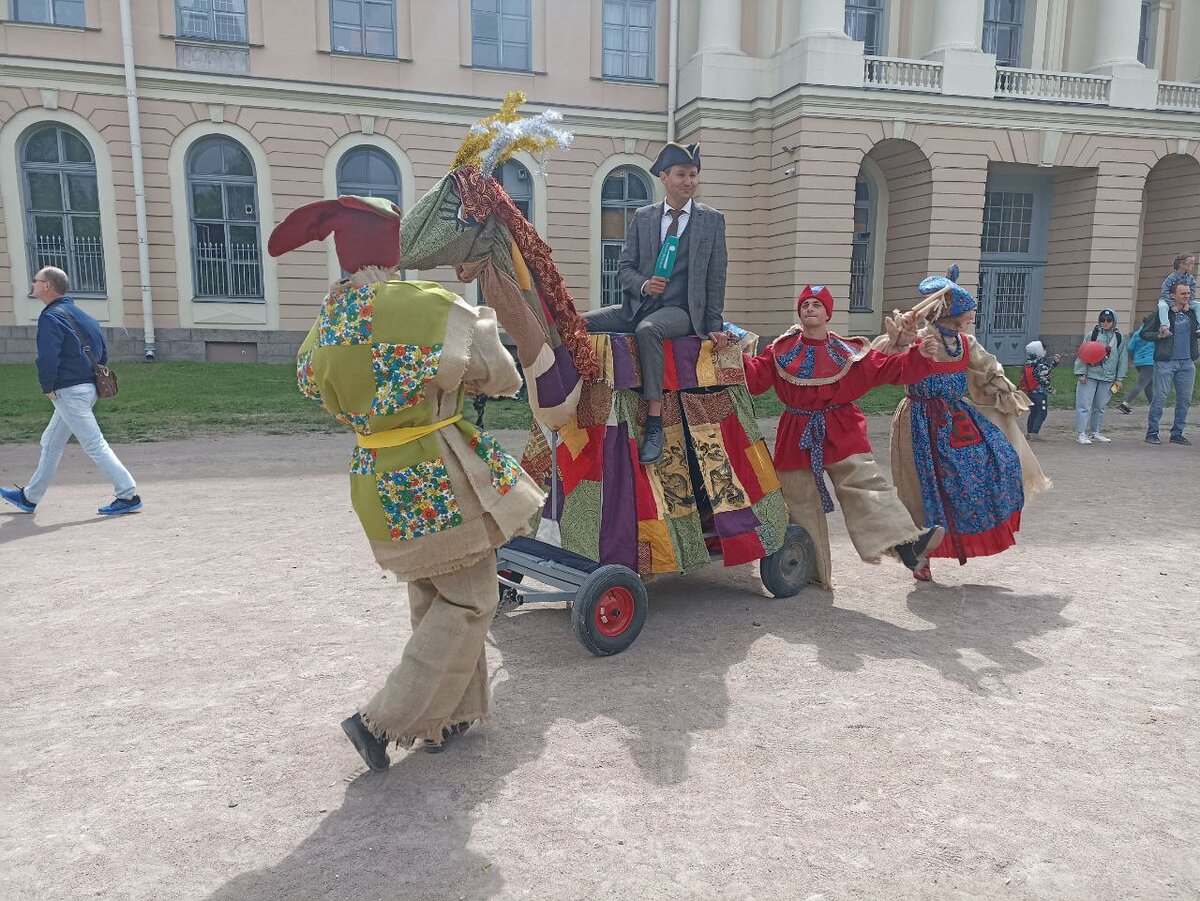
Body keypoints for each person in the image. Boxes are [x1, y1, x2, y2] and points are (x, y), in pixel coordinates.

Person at [267, 196, 545, 769]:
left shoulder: (331, 318)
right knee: (472, 600)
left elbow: (308, 382)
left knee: (431, 592)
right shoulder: (434, 306)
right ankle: (381, 721)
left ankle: (448, 718)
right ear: (398, 249)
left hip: (375, 474)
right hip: (436, 470)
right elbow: (503, 376)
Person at [742, 284, 957, 588]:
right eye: (805, 304)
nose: (810, 308)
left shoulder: (849, 351)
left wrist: (918, 357)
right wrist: (729, 354)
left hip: (840, 426)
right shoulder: (780, 348)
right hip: (796, 429)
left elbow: (886, 369)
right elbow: (755, 379)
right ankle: (807, 570)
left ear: (828, 313)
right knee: (798, 500)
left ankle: (907, 545)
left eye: (817, 304)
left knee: (864, 484)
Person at [878, 274, 1050, 581]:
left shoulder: (965, 343)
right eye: (966, 318)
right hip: (917, 419)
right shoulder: (920, 339)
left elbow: (987, 369)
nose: (970, 322)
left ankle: (956, 537)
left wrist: (1005, 394)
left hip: (956, 419)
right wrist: (900, 339)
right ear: (952, 315)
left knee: (996, 463)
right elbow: (883, 359)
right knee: (922, 488)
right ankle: (919, 552)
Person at [582, 142, 729, 464]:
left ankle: (654, 421)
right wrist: (644, 284)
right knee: (577, 323)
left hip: (682, 311)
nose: (689, 181)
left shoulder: (711, 220)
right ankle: (579, 397)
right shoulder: (644, 217)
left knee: (649, 330)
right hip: (638, 304)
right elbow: (624, 268)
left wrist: (715, 326)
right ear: (664, 177)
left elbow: (716, 277)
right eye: (681, 175)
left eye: (693, 175)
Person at [1, 267, 141, 517]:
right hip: (88, 388)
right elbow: (102, 354)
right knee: (51, 442)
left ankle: (128, 494)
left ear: (48, 286)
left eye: (36, 280)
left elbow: (47, 358)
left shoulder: (50, 317)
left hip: (69, 391)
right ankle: (29, 497)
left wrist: (48, 387)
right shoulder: (82, 315)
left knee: (94, 444)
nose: (32, 284)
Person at [1145, 281, 1198, 446]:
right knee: (1160, 398)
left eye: (1188, 293)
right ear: (1172, 295)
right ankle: (1152, 433)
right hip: (1166, 363)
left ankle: (1177, 433)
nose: (1187, 296)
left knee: (1185, 400)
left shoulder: (1192, 312)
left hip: (1187, 363)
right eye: (1183, 294)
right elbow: (1144, 334)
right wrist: (1159, 336)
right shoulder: (1163, 312)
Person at [1073, 309, 1126, 445]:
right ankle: (1081, 433)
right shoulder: (1092, 335)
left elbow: (1122, 359)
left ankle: (1095, 432)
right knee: (1084, 405)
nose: (1105, 322)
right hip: (1090, 375)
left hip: (1108, 377)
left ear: (1114, 321)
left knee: (1100, 406)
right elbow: (1083, 354)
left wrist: (1119, 378)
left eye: (1108, 320)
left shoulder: (1119, 338)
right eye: (1102, 319)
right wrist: (1081, 373)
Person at [1021, 340, 1060, 439]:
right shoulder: (1040, 364)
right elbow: (1044, 379)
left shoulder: (1029, 363)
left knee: (1033, 412)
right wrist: (1051, 390)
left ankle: (1029, 433)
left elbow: (1045, 372)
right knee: (1042, 412)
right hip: (1040, 393)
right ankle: (1035, 433)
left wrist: (1054, 363)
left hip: (1030, 392)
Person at [1117, 322, 1156, 414]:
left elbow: (1130, 347)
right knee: (1142, 383)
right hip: (1150, 362)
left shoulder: (1137, 333)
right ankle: (1125, 403)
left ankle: (1153, 405)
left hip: (1138, 362)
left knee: (1149, 383)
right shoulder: (1154, 334)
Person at [1155, 252, 1196, 337]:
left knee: (1198, 305)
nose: (1193, 265)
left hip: (1185, 301)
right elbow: (1164, 291)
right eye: (1191, 263)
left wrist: (1188, 303)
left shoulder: (1190, 278)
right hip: (1168, 300)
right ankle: (1165, 327)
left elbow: (1192, 290)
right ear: (1182, 265)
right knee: (1162, 306)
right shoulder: (1171, 278)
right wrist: (1171, 304)